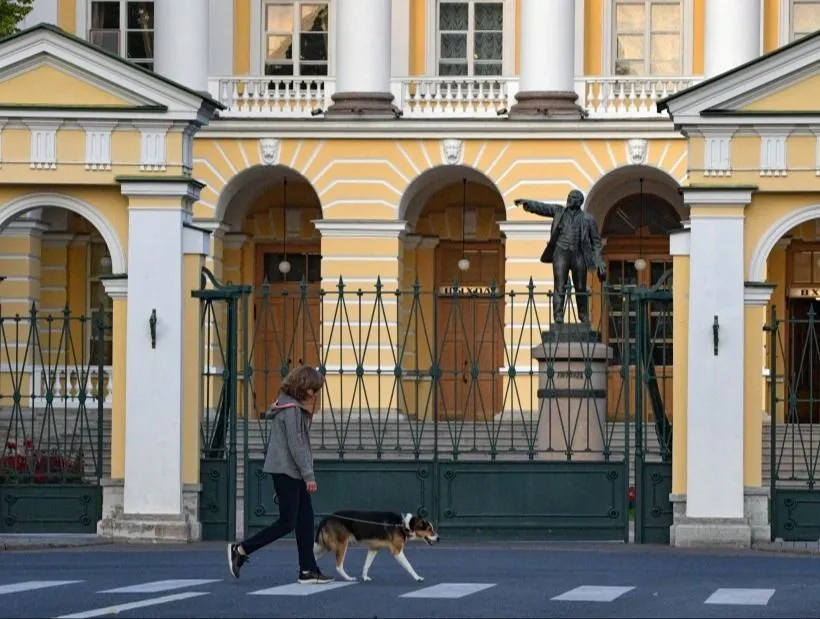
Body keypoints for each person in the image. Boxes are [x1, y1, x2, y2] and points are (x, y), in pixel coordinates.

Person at [227, 365, 332, 585]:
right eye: (313, 389)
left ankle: (308, 570)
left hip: (288, 470)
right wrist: (309, 475)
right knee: (287, 522)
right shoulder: (291, 410)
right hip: (288, 471)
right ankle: (241, 549)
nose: (314, 394)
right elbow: (297, 445)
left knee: (305, 520)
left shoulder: (288, 405)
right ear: (303, 386)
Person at [514, 190, 606, 325]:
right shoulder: (558, 211)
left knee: (580, 287)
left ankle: (583, 316)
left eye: (573, 198)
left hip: (579, 254)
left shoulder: (588, 219)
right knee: (559, 285)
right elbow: (543, 208)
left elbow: (596, 243)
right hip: (561, 252)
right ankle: (558, 316)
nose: (569, 199)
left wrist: (599, 261)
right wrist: (528, 203)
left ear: (579, 202)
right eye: (569, 197)